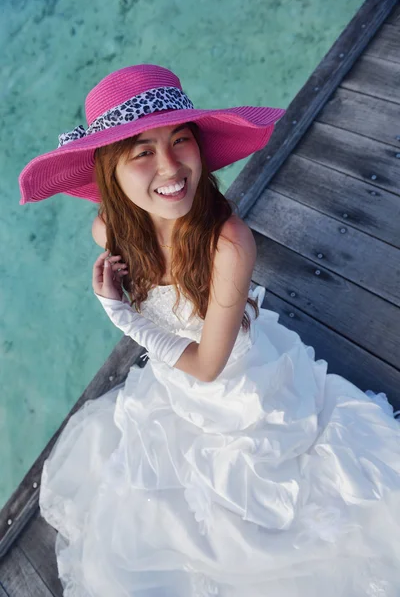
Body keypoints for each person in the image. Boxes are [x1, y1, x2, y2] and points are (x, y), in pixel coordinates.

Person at [19, 64, 400, 597]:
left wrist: (120, 313)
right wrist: (127, 288)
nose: (171, 165)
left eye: (180, 140)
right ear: (111, 171)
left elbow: (208, 366)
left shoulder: (229, 244)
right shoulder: (108, 229)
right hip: (175, 383)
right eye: (142, 152)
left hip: (236, 388)